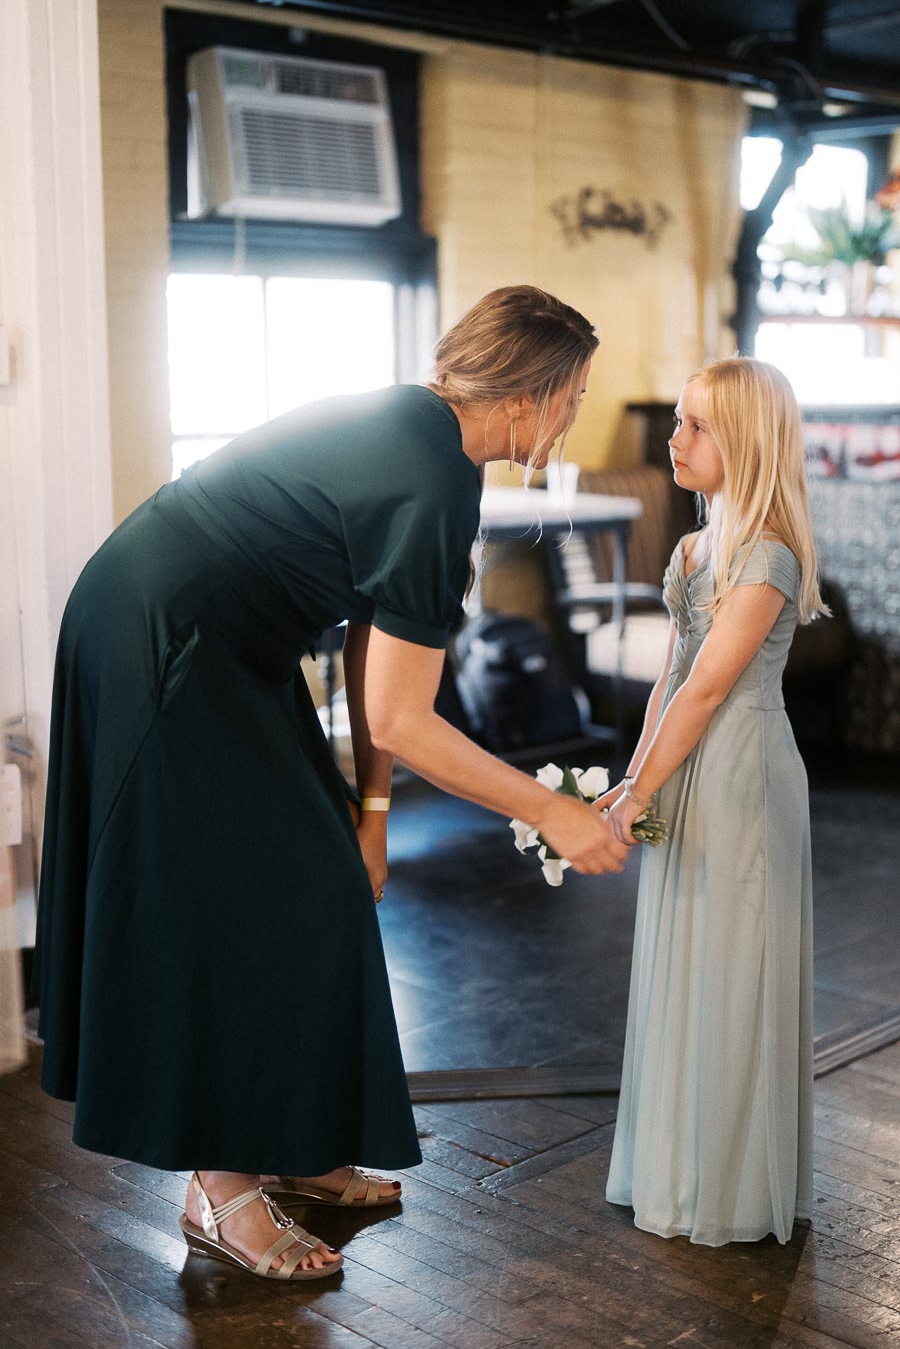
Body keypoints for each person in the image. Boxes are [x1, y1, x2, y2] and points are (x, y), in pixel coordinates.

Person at [34, 285, 629, 1281]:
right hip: (165, 646)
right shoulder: (436, 478)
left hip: (213, 644)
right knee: (244, 898)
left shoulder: (419, 432)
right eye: (571, 396)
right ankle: (221, 1190)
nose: (571, 418)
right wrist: (549, 810)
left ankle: (297, 1146)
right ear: (529, 394)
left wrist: (374, 810)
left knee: (326, 873)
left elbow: (373, 641)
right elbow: (403, 713)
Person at [601, 357, 825, 1246]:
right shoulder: (695, 546)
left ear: (746, 442)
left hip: (741, 776)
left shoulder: (765, 552)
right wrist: (633, 777)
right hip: (685, 766)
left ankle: (726, 1182)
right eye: (679, 421)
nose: (675, 439)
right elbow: (668, 681)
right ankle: (677, 1162)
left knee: (735, 960)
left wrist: (636, 791)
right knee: (683, 953)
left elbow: (706, 693)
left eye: (696, 426)